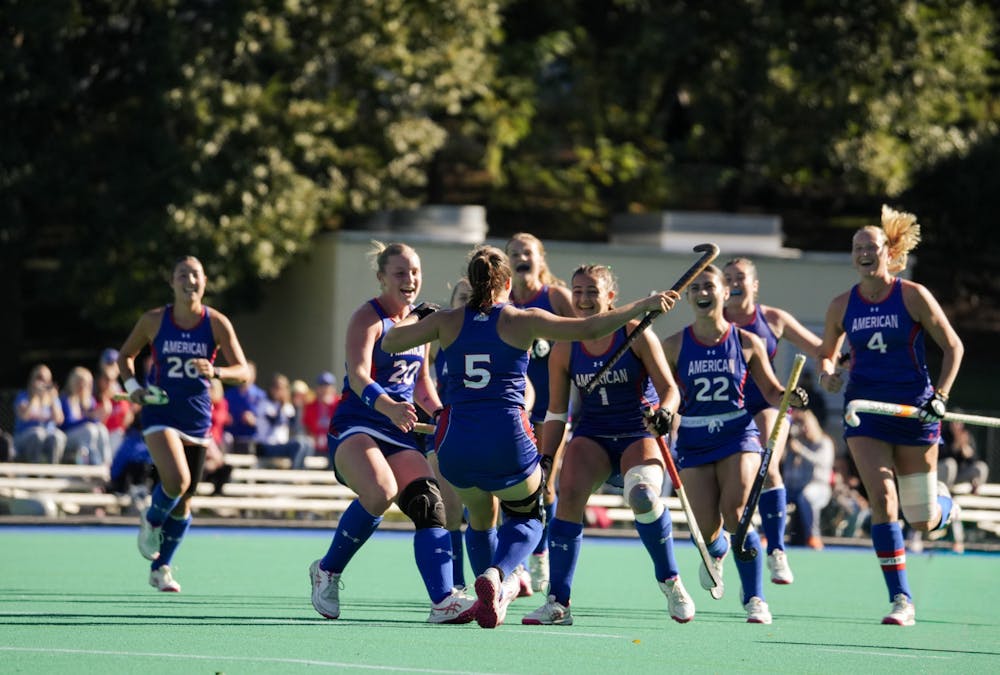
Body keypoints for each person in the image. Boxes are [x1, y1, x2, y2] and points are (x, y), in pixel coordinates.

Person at [381, 245, 678, 628]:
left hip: (455, 442)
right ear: (507, 283)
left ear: (471, 283)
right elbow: (590, 328)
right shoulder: (523, 320)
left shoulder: (447, 321)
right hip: (506, 437)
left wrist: (420, 312)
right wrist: (643, 306)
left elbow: (389, 343)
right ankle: (499, 574)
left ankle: (491, 591)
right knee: (531, 513)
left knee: (481, 519)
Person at [308, 241, 477, 625]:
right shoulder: (366, 318)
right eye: (400, 273)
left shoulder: (421, 322)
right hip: (356, 426)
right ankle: (327, 571)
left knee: (429, 503)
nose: (410, 279)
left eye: (415, 272)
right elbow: (359, 375)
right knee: (380, 490)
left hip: (399, 433)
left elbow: (421, 384)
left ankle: (443, 600)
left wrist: (439, 412)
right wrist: (388, 406)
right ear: (382, 277)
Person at [521, 263, 695, 626]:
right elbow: (556, 413)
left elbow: (670, 390)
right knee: (567, 493)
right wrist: (548, 457)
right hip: (593, 434)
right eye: (578, 291)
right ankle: (558, 602)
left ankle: (670, 581)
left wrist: (666, 412)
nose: (583, 299)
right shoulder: (564, 348)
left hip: (637, 431)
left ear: (610, 297)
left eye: (592, 291)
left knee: (644, 496)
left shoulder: (636, 332)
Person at [817, 204, 963, 626]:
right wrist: (828, 374)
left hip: (915, 410)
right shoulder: (841, 304)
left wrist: (942, 394)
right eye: (857, 247)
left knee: (921, 520)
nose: (864, 253)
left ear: (888, 251)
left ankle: (944, 507)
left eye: (872, 246)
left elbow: (954, 347)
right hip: (865, 411)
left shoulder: (913, 295)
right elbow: (828, 356)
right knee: (883, 500)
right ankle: (901, 599)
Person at [655, 264, 808, 625]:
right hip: (693, 437)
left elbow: (771, 391)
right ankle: (719, 550)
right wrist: (661, 413)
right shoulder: (675, 344)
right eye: (696, 289)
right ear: (689, 298)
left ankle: (755, 597)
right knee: (706, 530)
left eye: (710, 286)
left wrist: (792, 396)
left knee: (736, 512)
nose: (703, 293)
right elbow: (667, 391)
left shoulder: (746, 342)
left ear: (725, 293)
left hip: (737, 433)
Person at [117, 255, 250, 593]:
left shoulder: (216, 323)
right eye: (182, 274)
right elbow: (125, 356)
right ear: (172, 282)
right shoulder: (154, 320)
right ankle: (151, 520)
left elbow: (243, 370)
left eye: (195, 275)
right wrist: (134, 389)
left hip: (197, 418)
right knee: (177, 480)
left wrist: (216, 371)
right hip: (160, 412)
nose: (189, 280)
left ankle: (160, 568)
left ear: (204, 282)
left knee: (187, 499)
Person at [723, 257, 822, 584]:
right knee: (729, 485)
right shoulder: (714, 319)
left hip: (769, 402)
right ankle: (726, 543)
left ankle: (777, 549)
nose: (734, 284)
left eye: (740, 278)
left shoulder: (772, 319)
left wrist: (838, 363)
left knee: (769, 465)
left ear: (754, 284)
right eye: (729, 279)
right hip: (726, 410)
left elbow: (820, 348)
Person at [505, 232, 574, 593]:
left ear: (540, 257)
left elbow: (585, 336)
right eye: (514, 253)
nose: (521, 258)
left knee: (545, 485)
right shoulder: (503, 303)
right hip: (511, 410)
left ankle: (541, 556)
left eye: (527, 252)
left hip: (552, 410)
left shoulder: (556, 297)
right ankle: (514, 563)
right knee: (512, 485)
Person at [783, 408, 834, 549]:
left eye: (805, 425)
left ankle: (814, 536)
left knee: (807, 495)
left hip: (820, 487)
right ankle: (768, 535)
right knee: (776, 494)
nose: (803, 429)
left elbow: (821, 462)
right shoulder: (797, 442)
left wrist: (801, 451)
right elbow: (787, 469)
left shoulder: (824, 442)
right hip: (795, 487)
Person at [13, 364, 67, 463]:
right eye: (39, 378)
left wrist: (53, 399)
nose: (42, 382)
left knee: (57, 436)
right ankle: (34, 471)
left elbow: (59, 420)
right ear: (32, 379)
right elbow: (24, 416)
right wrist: (34, 397)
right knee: (37, 434)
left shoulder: (53, 399)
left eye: (46, 380)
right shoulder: (23, 396)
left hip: (48, 436)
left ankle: (52, 472)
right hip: (24, 437)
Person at [255, 372, 310, 469]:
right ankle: (295, 475)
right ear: (271, 388)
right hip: (265, 446)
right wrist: (282, 405)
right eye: (277, 387)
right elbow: (275, 422)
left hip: (281, 445)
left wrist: (297, 407)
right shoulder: (264, 404)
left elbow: (294, 426)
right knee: (297, 445)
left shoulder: (287, 406)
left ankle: (301, 474)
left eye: (283, 388)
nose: (280, 391)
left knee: (307, 443)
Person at [59, 366, 113, 465]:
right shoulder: (65, 399)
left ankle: (106, 463)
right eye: (80, 382)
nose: (83, 386)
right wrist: (88, 418)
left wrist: (100, 414)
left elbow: (95, 422)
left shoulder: (89, 401)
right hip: (67, 436)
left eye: (86, 383)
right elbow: (66, 424)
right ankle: (93, 463)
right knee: (89, 430)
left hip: (85, 434)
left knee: (101, 429)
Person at [224, 360, 266, 455]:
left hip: (252, 439)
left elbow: (267, 423)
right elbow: (220, 413)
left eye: (250, 373)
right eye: (245, 372)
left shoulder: (261, 396)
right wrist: (225, 418)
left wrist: (254, 421)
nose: (247, 376)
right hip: (231, 437)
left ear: (254, 375)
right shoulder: (229, 394)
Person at [938, 418, 989, 493]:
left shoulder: (966, 436)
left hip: (960, 474)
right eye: (954, 423)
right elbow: (941, 456)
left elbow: (974, 460)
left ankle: (974, 490)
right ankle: (945, 492)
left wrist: (967, 453)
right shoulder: (943, 435)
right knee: (950, 463)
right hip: (943, 474)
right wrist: (955, 447)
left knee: (981, 467)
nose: (957, 426)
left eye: (959, 423)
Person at [302, 372, 340, 462]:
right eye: (322, 386)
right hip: (315, 448)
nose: (324, 389)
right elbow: (306, 427)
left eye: (327, 386)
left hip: (333, 448)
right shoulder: (310, 406)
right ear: (317, 388)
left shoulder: (339, 404)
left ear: (333, 388)